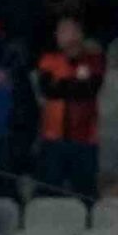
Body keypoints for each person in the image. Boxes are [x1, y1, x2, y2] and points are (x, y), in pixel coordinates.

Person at [35, 16, 104, 199]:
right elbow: (49, 91)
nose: (64, 36)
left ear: (79, 34)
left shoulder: (93, 59)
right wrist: (75, 83)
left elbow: (89, 90)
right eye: (61, 31)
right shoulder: (48, 60)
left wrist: (63, 84)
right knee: (48, 192)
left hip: (84, 139)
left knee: (85, 194)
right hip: (53, 138)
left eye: (69, 30)